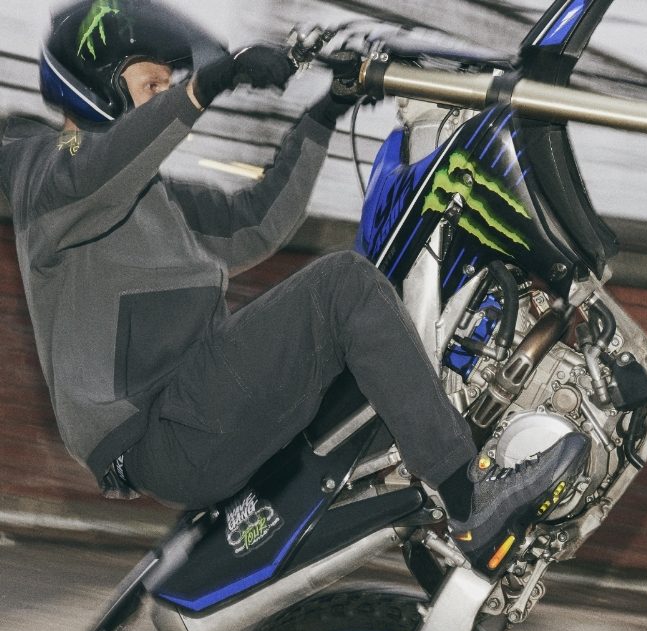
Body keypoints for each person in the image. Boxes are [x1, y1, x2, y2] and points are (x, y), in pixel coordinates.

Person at [0, 0, 589, 565]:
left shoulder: (153, 200)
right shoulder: (42, 171)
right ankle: (470, 503)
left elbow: (256, 222)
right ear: (98, 86)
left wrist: (325, 112)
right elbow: (95, 166)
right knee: (342, 285)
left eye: (167, 86)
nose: (164, 95)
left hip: (196, 409)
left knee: (369, 329)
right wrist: (210, 82)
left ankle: (445, 489)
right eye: (152, 84)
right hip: (163, 431)